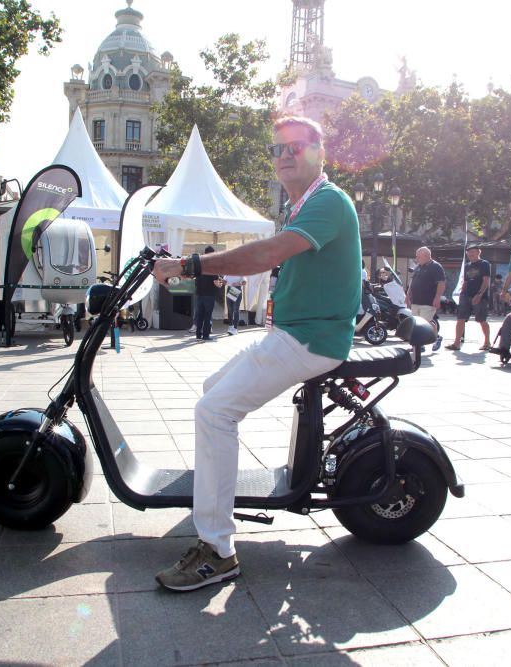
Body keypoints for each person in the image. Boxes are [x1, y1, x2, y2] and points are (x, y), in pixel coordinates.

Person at [151, 116, 360, 591]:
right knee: (212, 393)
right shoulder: (306, 204)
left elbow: (267, 256)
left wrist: (189, 264)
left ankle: (218, 551)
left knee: (214, 411)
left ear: (319, 153)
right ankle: (215, 498)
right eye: (279, 149)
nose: (285, 155)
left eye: (296, 147)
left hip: (311, 340)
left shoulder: (328, 202)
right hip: (293, 333)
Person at [448, 245, 491, 351]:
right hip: (466, 295)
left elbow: (486, 281)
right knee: (460, 318)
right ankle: (456, 343)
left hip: (479, 295)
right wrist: (462, 293)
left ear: (478, 252)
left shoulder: (484, 264)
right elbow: (466, 281)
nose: (470, 254)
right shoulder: (467, 266)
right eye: (469, 252)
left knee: (481, 319)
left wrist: (479, 294)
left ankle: (487, 342)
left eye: (473, 252)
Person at [406, 246, 445, 351]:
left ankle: (421, 344)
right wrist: (408, 294)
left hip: (428, 300)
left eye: (418, 256)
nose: (416, 258)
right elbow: (412, 282)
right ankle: (433, 339)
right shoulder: (418, 267)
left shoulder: (436, 267)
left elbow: (441, 283)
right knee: (416, 322)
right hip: (416, 300)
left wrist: (437, 298)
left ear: (427, 256)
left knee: (425, 322)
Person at [193, 247, 222, 341]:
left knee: (200, 315)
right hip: (209, 295)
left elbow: (195, 279)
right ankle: (205, 335)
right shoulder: (212, 266)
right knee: (207, 315)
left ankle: (198, 335)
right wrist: (221, 284)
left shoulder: (199, 264)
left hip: (200, 294)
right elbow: (216, 283)